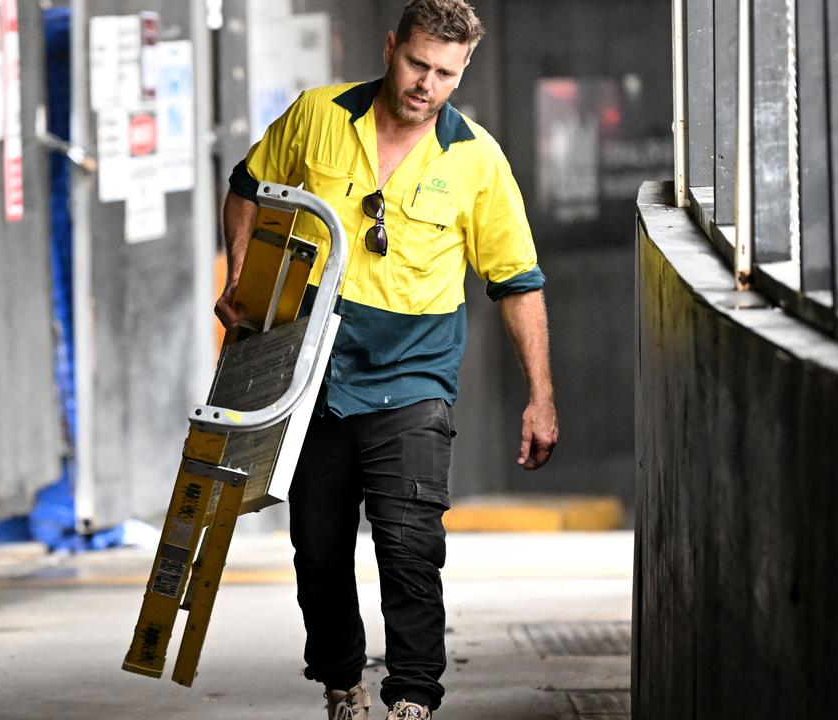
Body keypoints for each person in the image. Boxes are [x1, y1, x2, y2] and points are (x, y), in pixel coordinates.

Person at [214, 1, 557, 718]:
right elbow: (248, 184)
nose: (425, 84)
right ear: (391, 46)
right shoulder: (317, 115)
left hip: (413, 378)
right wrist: (240, 267)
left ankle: (412, 697)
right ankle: (343, 684)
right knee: (319, 550)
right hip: (312, 374)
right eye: (416, 63)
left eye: (443, 73)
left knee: (409, 543)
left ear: (461, 74)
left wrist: (540, 395)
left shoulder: (477, 161)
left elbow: (516, 281)